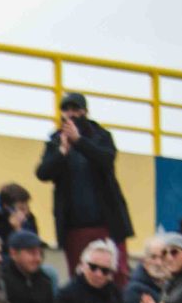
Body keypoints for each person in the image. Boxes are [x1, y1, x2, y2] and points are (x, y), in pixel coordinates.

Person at [38, 93, 135, 273]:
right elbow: (42, 173)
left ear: (85, 111)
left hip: (107, 223)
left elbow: (107, 159)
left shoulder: (102, 136)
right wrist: (61, 152)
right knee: (80, 274)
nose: (71, 114)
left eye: (75, 109)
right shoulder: (55, 140)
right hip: (74, 227)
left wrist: (79, 141)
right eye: (66, 110)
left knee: (116, 273)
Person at [50, 236, 134, 303]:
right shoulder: (67, 295)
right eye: (93, 267)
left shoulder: (114, 293)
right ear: (82, 265)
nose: (98, 274)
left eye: (105, 270)